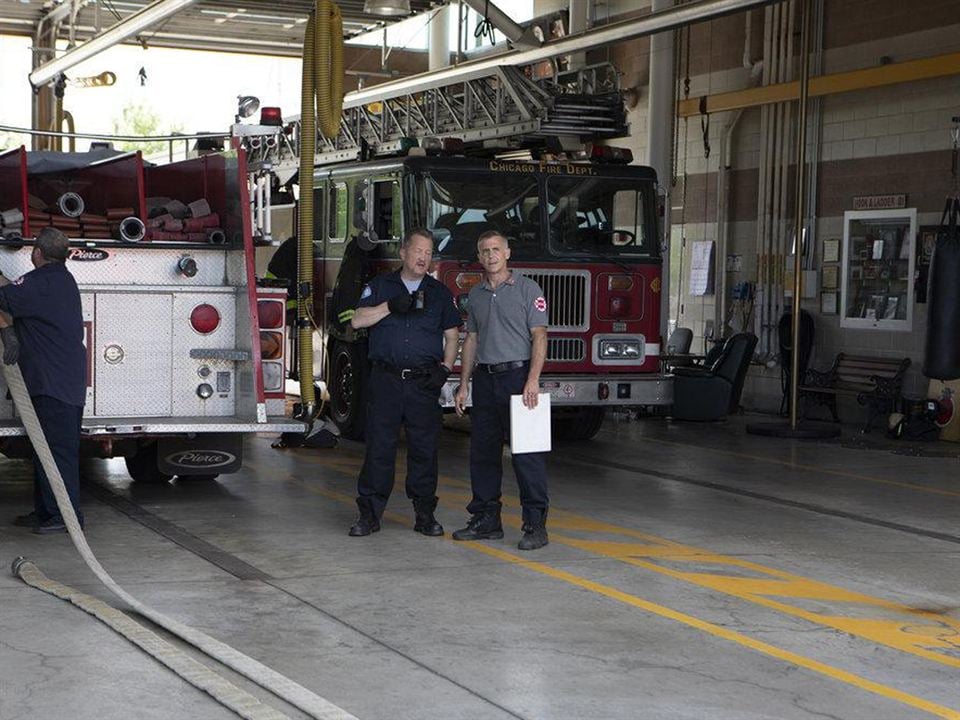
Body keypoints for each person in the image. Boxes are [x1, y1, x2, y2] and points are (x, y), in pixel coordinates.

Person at [348, 228, 461, 537]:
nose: (424, 257)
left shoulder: (439, 293)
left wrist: (445, 369)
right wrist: (389, 307)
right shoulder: (381, 286)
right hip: (386, 381)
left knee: (424, 450)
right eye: (418, 251)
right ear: (403, 253)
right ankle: (369, 515)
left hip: (423, 383)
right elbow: (356, 320)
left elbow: (452, 336)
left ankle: (425, 514)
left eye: (429, 252)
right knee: (379, 449)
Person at [454, 229, 550, 551]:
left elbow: (539, 336)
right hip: (485, 379)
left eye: (496, 249)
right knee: (482, 454)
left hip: (519, 378)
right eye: (485, 251)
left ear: (507, 253)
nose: (491, 255)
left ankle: (535, 525)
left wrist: (533, 379)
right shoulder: (477, 295)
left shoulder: (528, 290)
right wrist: (464, 384)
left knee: (527, 455)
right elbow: (472, 340)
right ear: (479, 257)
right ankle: (486, 520)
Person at [0, 228, 87, 534]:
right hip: (60, 382)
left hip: (54, 385)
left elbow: (5, 298)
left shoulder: (41, 282)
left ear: (37, 253)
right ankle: (46, 511)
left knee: (58, 453)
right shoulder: (61, 281)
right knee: (43, 450)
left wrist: (8, 330)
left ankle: (65, 517)